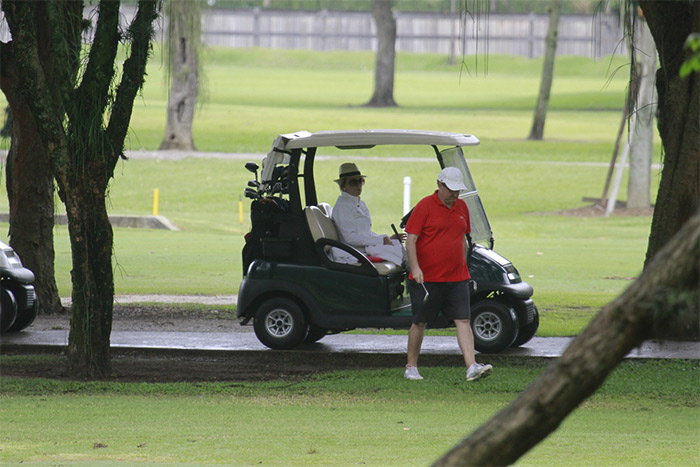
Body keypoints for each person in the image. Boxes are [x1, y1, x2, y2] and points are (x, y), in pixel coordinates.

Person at [403, 166, 492, 382]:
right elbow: (411, 239)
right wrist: (416, 268)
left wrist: (464, 266)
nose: (455, 194)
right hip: (427, 278)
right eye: (451, 190)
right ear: (439, 185)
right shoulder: (425, 206)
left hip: (457, 277)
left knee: (463, 319)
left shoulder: (462, 207)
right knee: (420, 321)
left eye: (457, 190)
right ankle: (411, 366)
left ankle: (471, 366)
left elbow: (461, 238)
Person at [331, 162, 405, 266]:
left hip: (366, 247)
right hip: (354, 251)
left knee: (400, 246)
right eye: (353, 182)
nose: (358, 185)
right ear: (343, 186)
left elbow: (366, 232)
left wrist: (388, 237)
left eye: (360, 181)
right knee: (403, 253)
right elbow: (350, 238)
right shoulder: (343, 207)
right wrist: (381, 239)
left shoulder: (360, 203)